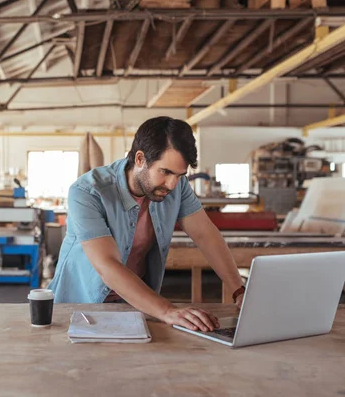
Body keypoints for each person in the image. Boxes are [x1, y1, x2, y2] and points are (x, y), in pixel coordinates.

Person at [48, 116, 245, 332]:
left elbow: (206, 235)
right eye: (166, 172)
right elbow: (107, 266)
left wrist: (239, 291)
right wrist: (167, 311)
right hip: (79, 307)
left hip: (134, 306)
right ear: (140, 159)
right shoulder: (87, 192)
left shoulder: (176, 187)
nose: (172, 184)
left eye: (180, 175)